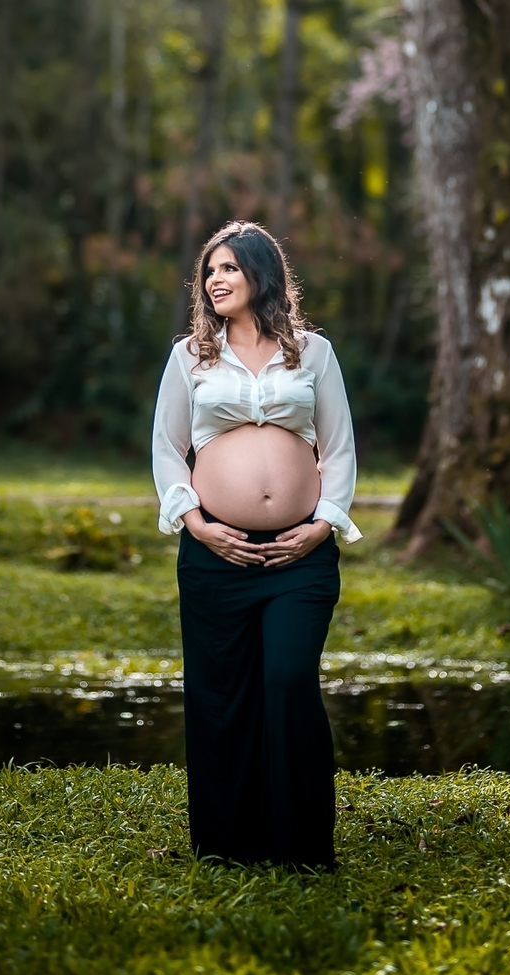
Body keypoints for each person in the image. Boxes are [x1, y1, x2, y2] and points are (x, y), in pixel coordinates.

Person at [151, 219, 361, 870]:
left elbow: (341, 448)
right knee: (221, 695)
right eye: (209, 270)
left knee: (289, 679)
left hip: (301, 557)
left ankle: (301, 848)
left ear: (260, 275)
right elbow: (166, 449)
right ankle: (228, 847)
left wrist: (322, 525)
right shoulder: (189, 356)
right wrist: (197, 523)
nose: (214, 279)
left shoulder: (314, 353)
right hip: (216, 555)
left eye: (229, 268)